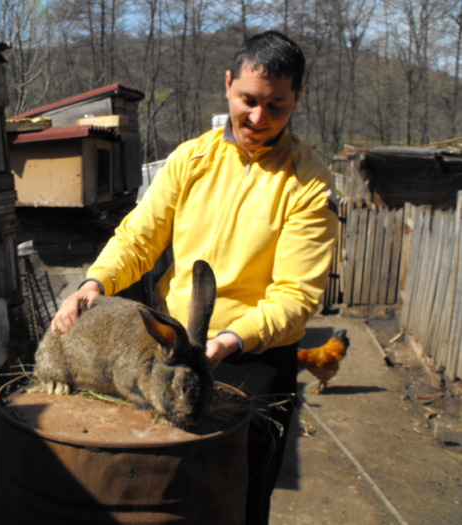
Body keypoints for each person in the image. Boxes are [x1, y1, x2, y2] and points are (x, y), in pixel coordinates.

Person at [51, 30, 339, 524]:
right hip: (176, 346)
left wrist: (231, 340)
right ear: (228, 84)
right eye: (248, 100)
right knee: (164, 484)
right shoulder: (191, 159)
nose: (258, 117)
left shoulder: (309, 183)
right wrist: (94, 282)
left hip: (254, 356)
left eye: (277, 106)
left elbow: (296, 295)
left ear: (298, 99)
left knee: (239, 492)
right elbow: (139, 238)